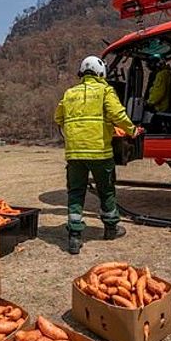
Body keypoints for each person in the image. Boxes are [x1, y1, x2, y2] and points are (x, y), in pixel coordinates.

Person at [54, 55, 142, 255]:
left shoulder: (69, 93)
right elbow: (117, 115)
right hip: (100, 153)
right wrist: (132, 130)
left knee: (75, 192)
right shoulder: (105, 90)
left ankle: (74, 237)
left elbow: (57, 117)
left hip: (75, 155)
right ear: (100, 72)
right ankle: (111, 228)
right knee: (106, 190)